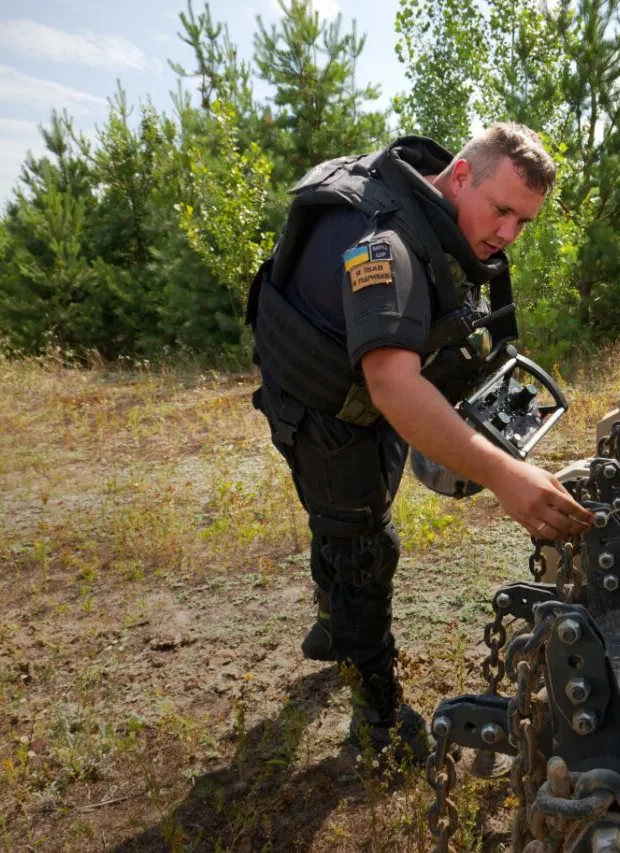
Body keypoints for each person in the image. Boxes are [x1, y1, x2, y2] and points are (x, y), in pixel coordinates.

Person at [247, 124, 592, 760]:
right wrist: (504, 477)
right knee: (363, 547)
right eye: (503, 210)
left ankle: (331, 623)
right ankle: (377, 722)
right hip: (320, 404)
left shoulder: (437, 212)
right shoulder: (385, 243)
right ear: (461, 175)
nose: (509, 233)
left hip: (358, 391)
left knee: (352, 520)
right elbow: (393, 387)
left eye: (524, 221)